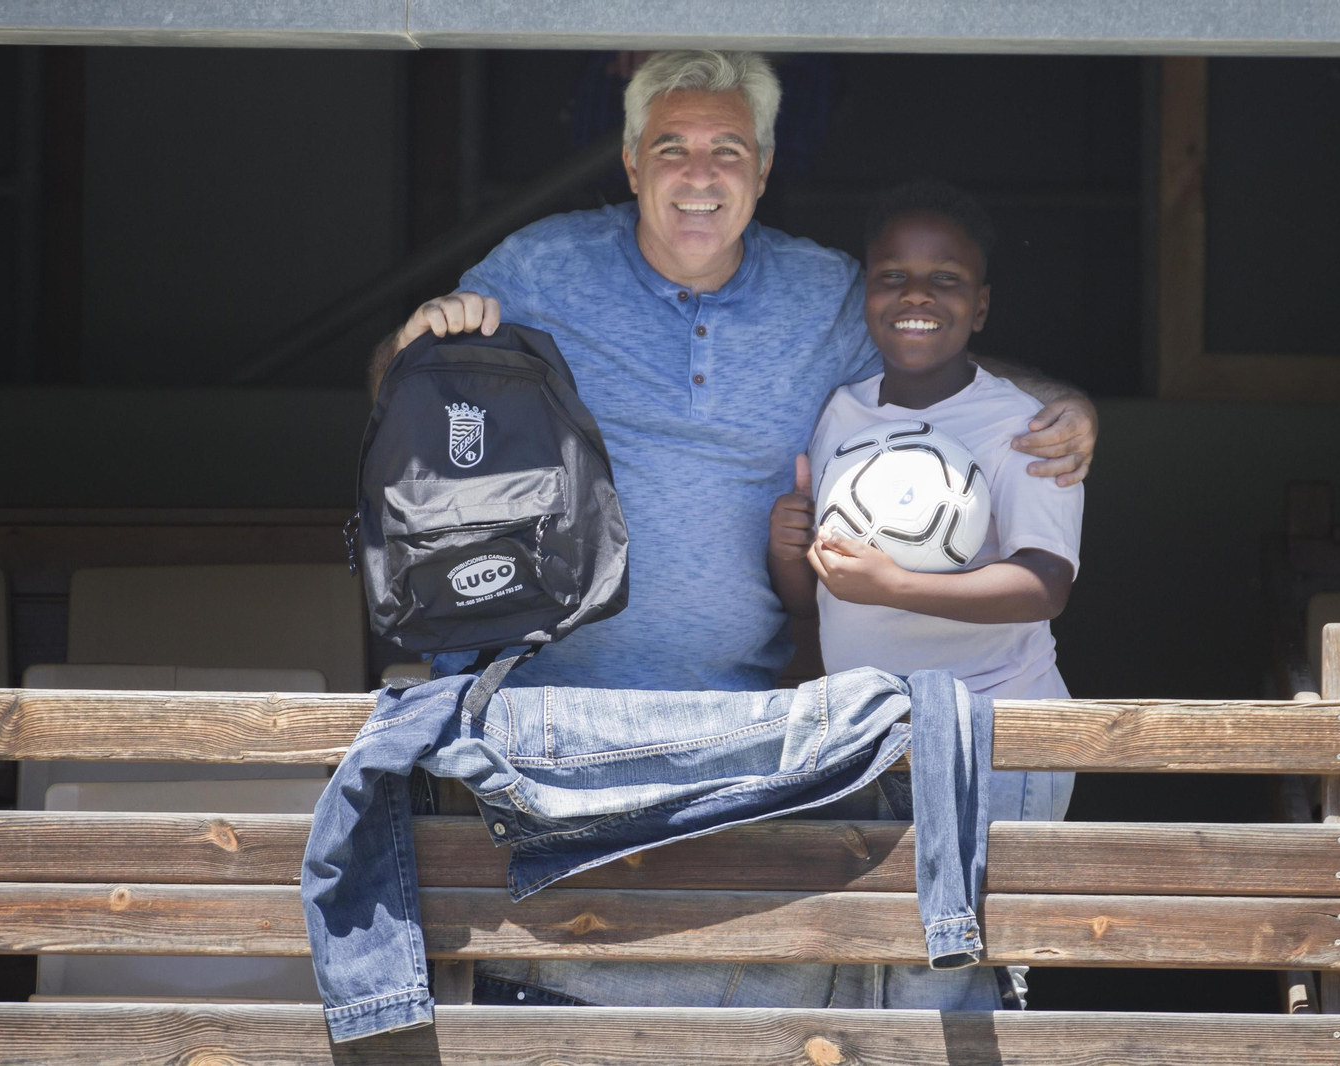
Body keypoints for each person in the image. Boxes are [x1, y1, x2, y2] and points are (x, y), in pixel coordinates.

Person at [368, 50, 1097, 1009]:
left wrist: (1072, 408)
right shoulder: (544, 266)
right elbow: (402, 384)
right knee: (545, 1001)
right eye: (671, 147)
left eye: (727, 150)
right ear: (631, 162)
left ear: (761, 169)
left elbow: (941, 366)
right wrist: (423, 331)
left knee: (730, 1000)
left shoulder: (824, 293)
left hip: (742, 734)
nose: (699, 174)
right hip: (547, 724)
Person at [767, 179, 1082, 1008]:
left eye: (945, 279)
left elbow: (1045, 586)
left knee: (969, 978)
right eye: (892, 276)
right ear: (865, 295)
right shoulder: (839, 415)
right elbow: (816, 603)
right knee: (871, 973)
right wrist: (787, 553)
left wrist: (900, 585)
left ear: (980, 307)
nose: (916, 296)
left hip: (994, 734)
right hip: (868, 731)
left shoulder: (1026, 427)